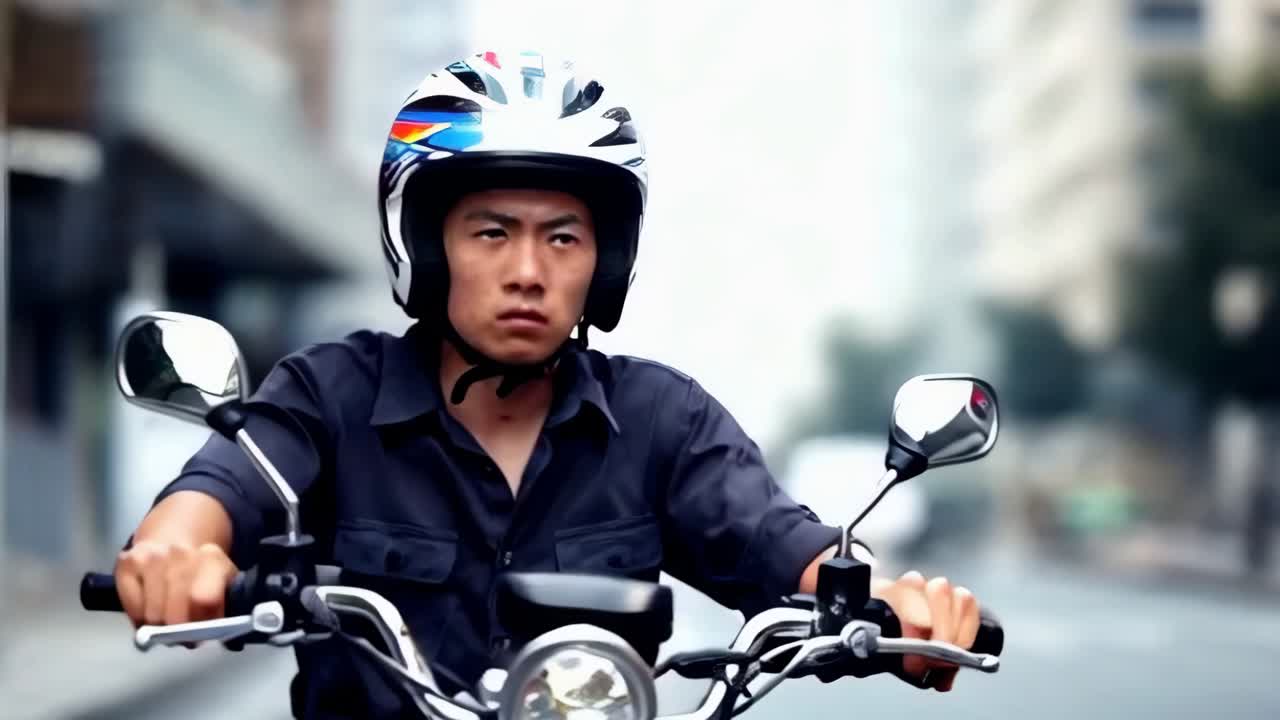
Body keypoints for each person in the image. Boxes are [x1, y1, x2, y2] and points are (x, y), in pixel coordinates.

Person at [113, 51, 988, 719]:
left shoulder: (662, 420)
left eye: (563, 238)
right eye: (491, 233)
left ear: (602, 265)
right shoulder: (332, 392)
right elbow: (219, 489)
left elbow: (780, 544)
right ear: (424, 245)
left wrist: (889, 607)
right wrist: (175, 552)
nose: (528, 271)